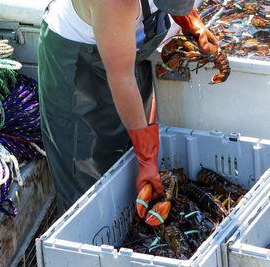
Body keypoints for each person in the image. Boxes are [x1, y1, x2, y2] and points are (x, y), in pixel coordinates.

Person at [38, 0, 219, 214]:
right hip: (77, 64)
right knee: (88, 180)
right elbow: (122, 78)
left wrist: (187, 19)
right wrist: (147, 157)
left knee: (129, 153)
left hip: (124, 42)